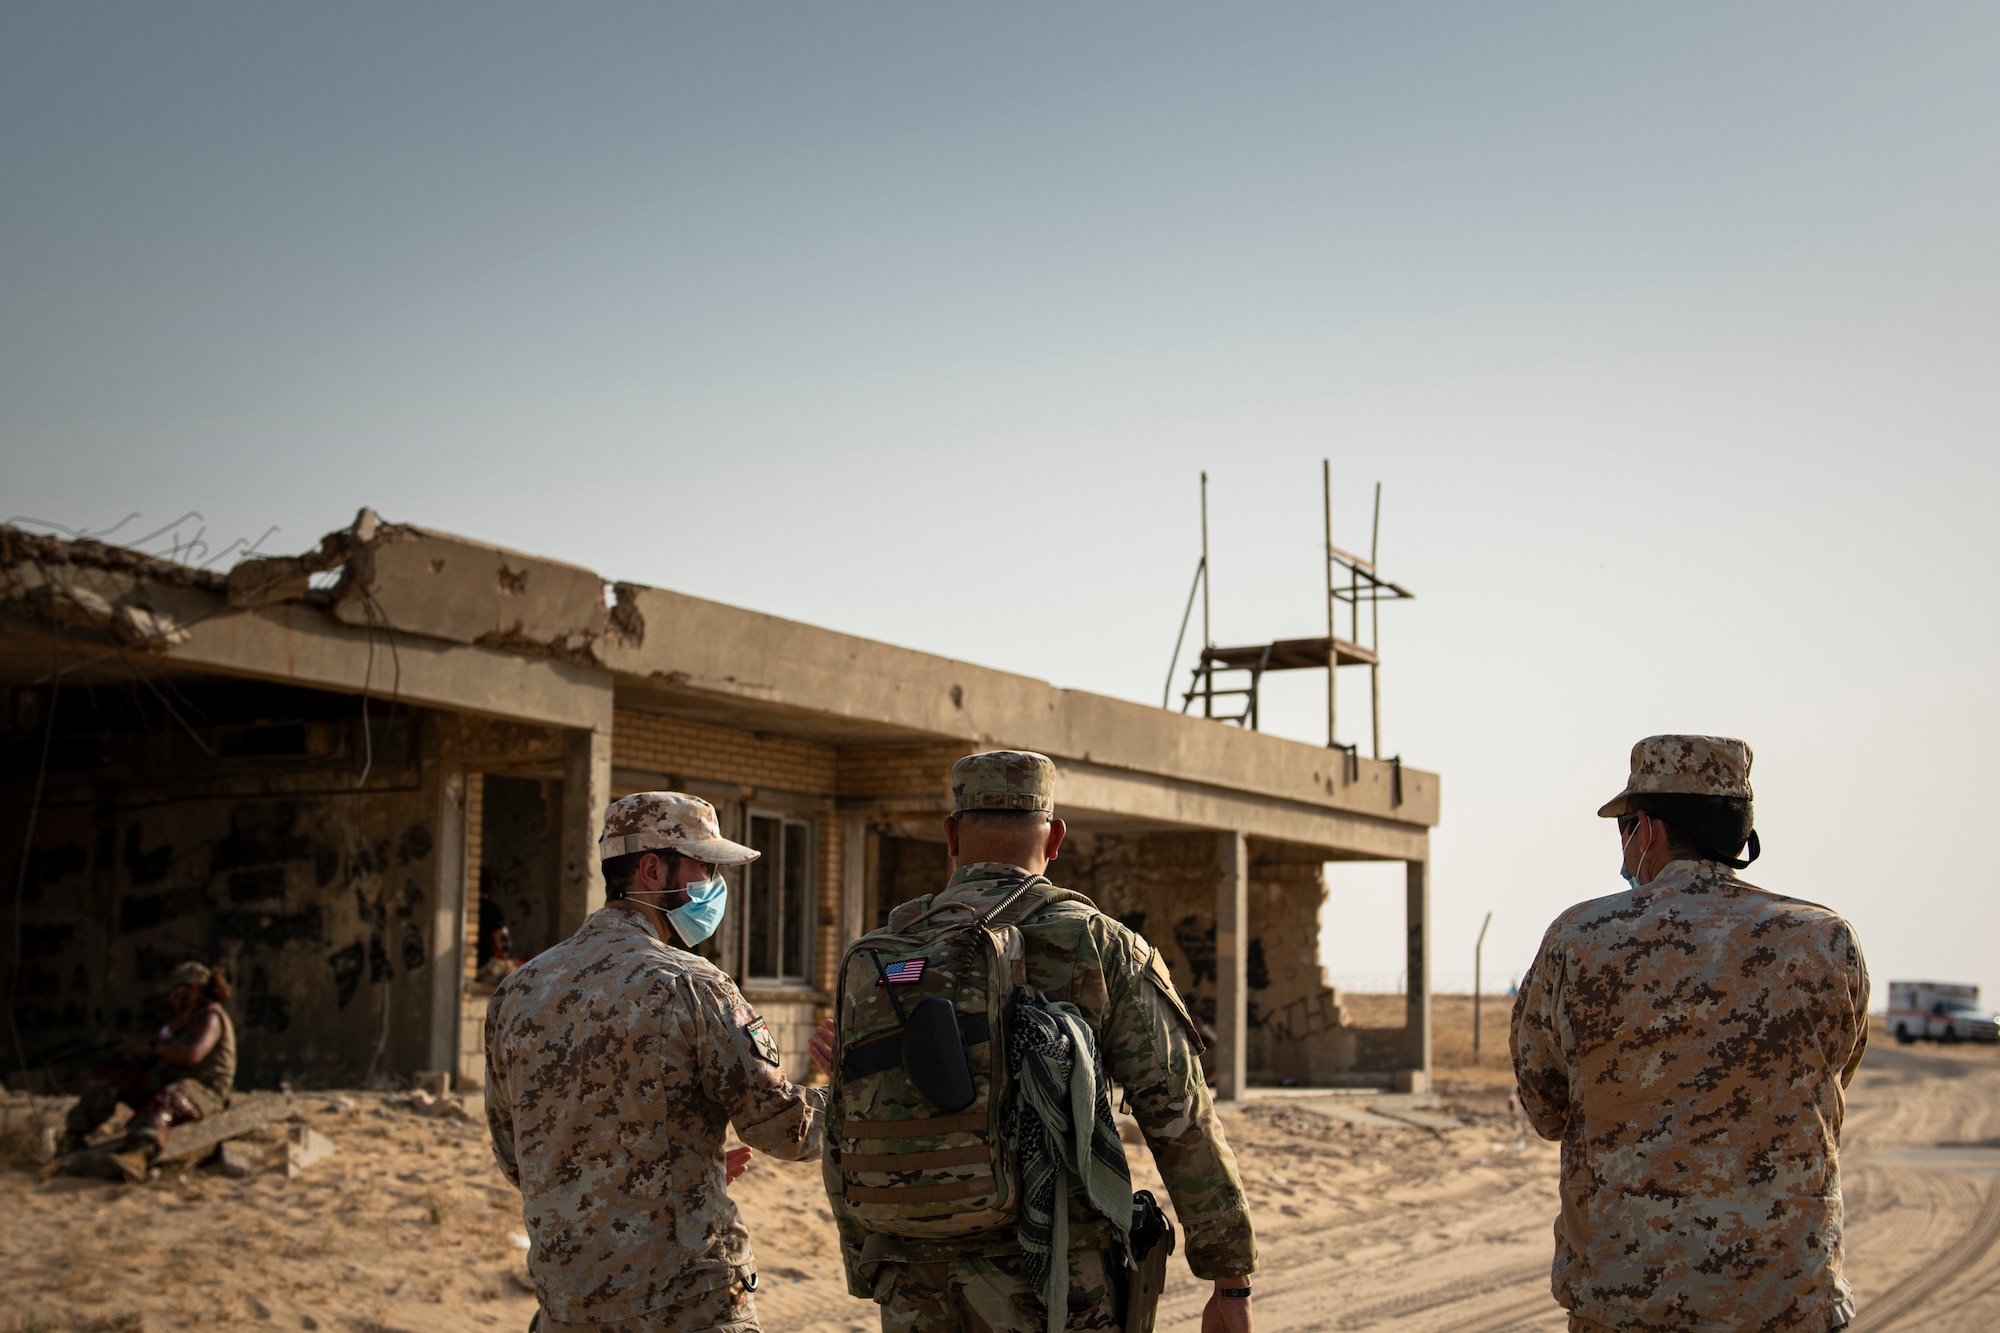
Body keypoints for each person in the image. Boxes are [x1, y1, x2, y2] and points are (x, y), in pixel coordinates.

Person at [826, 750, 1256, 1333]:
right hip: (1052, 1277)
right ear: (1054, 839)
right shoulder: (1098, 944)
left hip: (910, 1279)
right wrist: (1229, 1278)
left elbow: (844, 1125)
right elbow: (1181, 1117)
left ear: (951, 835)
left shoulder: (885, 952)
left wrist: (865, 1264)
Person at [1510, 735, 1869, 1333]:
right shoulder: (1825, 941)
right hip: (1785, 1301)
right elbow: (1831, 1077)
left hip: (1626, 1299)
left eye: (1625, 828)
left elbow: (1547, 1107)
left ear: (1647, 830)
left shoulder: (1580, 940)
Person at [484, 792, 834, 1333]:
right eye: (704, 867)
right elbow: (788, 1130)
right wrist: (858, 1089)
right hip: (685, 1304)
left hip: (568, 1306)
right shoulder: (691, 985)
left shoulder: (518, 992)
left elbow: (520, 1159)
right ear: (651, 869)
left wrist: (667, 1172)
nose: (714, 885)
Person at [59, 960, 236, 1182]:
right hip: (175, 1084)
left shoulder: (211, 1017)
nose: (171, 1001)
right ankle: (73, 1136)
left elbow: (192, 1055)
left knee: (168, 1098)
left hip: (204, 1093)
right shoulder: (186, 1021)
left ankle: (139, 1154)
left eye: (175, 994)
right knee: (119, 1074)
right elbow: (157, 1046)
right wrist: (161, 1036)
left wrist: (155, 1049)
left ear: (192, 990)